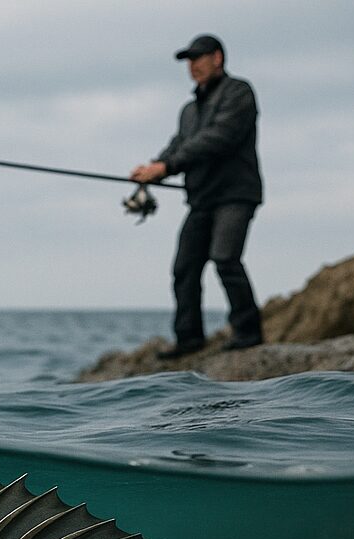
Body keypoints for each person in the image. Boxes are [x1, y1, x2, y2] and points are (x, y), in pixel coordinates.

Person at [131, 34, 264, 358]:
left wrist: (167, 165)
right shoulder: (189, 110)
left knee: (225, 258)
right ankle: (189, 339)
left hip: (236, 195)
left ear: (217, 58)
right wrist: (154, 168)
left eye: (198, 58)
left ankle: (248, 333)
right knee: (184, 268)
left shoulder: (239, 93)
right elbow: (180, 144)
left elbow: (218, 138)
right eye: (188, 61)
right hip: (202, 199)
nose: (192, 66)